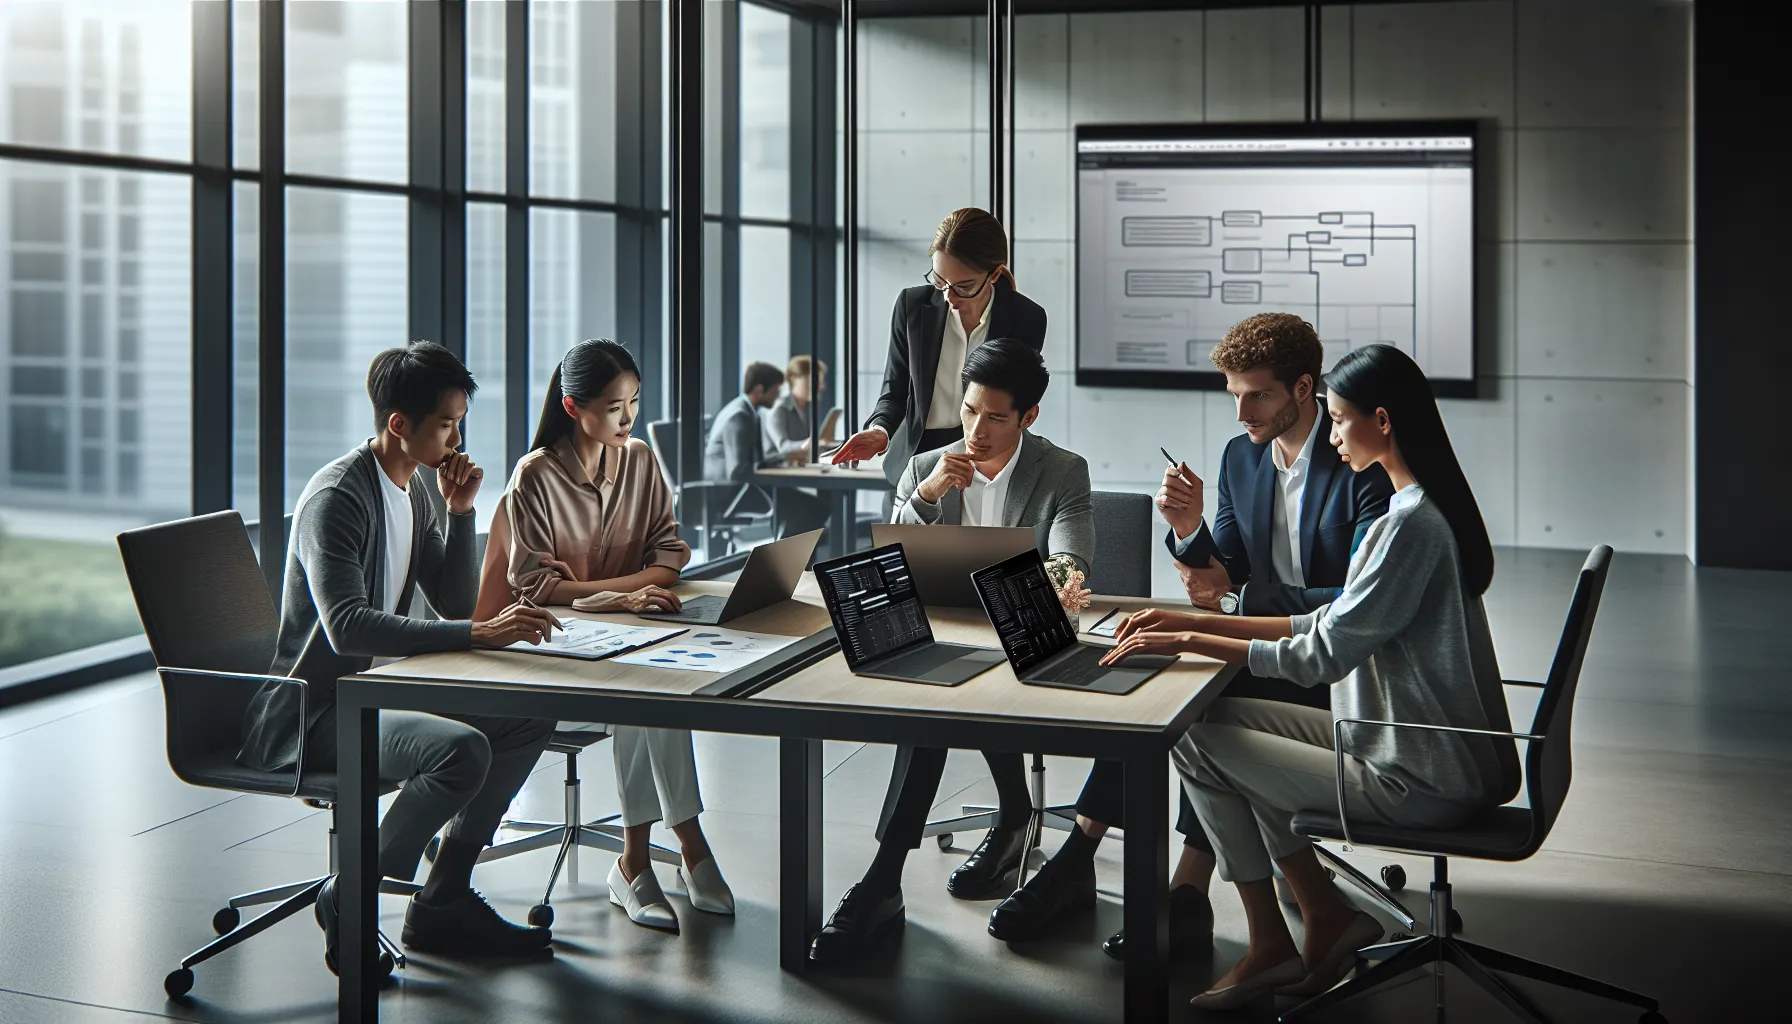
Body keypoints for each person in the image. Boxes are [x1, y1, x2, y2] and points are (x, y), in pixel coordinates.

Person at [1096, 343, 1522, 1010]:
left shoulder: (1408, 527)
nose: (1330, 434)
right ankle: (1306, 925)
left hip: (1418, 772)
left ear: (1381, 421)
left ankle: (1287, 932)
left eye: (1339, 419)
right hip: (1397, 739)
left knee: (1198, 741)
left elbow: (1321, 654)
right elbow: (1319, 623)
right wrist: (1189, 630)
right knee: (1201, 724)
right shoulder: (1417, 513)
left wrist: (1196, 638)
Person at [986, 313, 1395, 955]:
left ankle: (1180, 886)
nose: (1241, 413)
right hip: (1260, 639)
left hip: (1337, 664)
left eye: (1256, 394)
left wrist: (1235, 598)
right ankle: (1093, 858)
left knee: (1197, 702)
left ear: (1303, 388)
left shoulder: (1364, 462)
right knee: (1150, 678)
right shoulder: (1242, 456)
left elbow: (1357, 601)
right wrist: (1187, 528)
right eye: (1233, 395)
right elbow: (1222, 562)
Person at [237, 341, 560, 974]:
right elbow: (349, 630)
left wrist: (461, 512)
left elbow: (454, 601)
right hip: (317, 712)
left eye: (460, 422)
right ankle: (350, 893)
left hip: (380, 692)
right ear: (399, 425)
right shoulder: (338, 498)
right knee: (459, 751)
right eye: (446, 423)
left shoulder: (416, 489)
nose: (457, 436)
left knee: (527, 716)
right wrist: (481, 635)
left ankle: (441, 900)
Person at [808, 338, 1095, 966]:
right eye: (969, 412)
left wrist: (1040, 584)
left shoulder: (1062, 470)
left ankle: (889, 879)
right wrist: (930, 496)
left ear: (1028, 417)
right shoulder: (926, 466)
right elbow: (892, 566)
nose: (977, 430)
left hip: (1027, 642)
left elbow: (1071, 561)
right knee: (931, 705)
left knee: (945, 702)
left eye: (995, 416)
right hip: (944, 641)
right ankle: (893, 874)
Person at [477, 339, 733, 934]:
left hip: (612, 641)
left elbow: (669, 554)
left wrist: (603, 590)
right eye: (615, 407)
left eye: (635, 402)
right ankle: (676, 847)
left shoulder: (639, 460)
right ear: (573, 407)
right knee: (647, 694)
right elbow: (537, 589)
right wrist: (621, 594)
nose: (629, 418)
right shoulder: (535, 475)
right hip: (533, 652)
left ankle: (638, 860)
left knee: (655, 686)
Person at [831, 208, 1047, 487]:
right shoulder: (912, 307)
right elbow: (894, 389)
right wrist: (881, 431)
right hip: (916, 461)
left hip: (986, 461)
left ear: (994, 275)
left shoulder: (1026, 318)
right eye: (939, 281)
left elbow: (1015, 405)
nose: (948, 297)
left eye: (964, 286)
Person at [705, 361, 828, 538]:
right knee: (813, 507)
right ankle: (785, 557)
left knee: (808, 506)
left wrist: (777, 460)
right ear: (759, 390)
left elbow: (748, 465)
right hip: (731, 494)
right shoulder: (739, 416)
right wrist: (774, 465)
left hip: (734, 489)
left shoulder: (746, 410)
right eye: (775, 390)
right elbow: (738, 471)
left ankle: (787, 554)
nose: (777, 396)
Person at [761, 354, 832, 462]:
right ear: (795, 379)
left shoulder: (808, 407)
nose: (820, 387)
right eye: (815, 382)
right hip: (779, 470)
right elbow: (783, 447)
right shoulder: (779, 409)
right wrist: (809, 444)